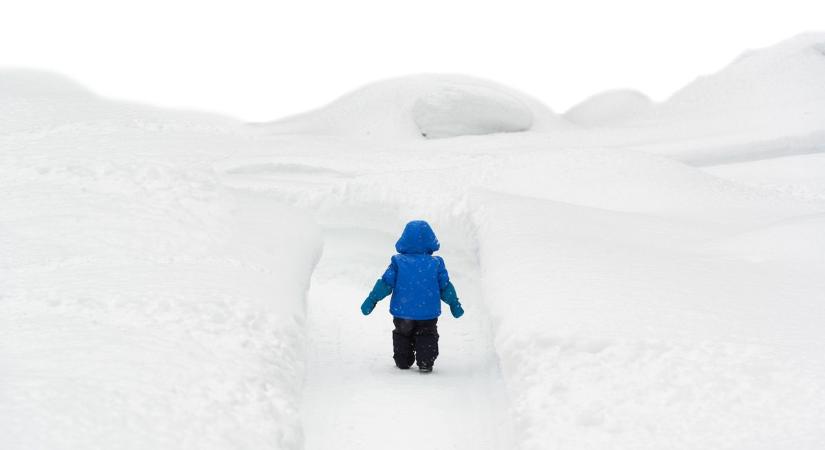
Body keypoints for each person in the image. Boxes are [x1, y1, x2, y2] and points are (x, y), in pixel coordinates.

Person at [360, 220, 464, 373]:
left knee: (403, 334)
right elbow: (445, 287)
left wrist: (372, 299)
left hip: (403, 312)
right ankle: (425, 361)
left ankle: (402, 360)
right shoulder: (436, 263)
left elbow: (385, 284)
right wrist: (454, 304)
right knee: (427, 334)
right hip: (427, 313)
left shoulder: (398, 262)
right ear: (430, 241)